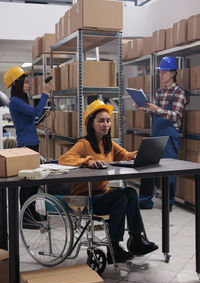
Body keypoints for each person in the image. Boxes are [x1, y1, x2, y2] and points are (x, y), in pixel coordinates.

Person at [58, 100, 158, 264]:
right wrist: (87, 161)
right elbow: (64, 159)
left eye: (108, 120)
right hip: (83, 199)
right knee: (120, 197)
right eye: (101, 120)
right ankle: (114, 248)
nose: (106, 124)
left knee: (130, 193)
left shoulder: (108, 144)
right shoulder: (83, 144)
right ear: (91, 122)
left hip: (101, 195)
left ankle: (136, 239)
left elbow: (125, 155)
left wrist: (140, 153)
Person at [135, 56, 186, 211]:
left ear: (172, 73)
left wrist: (157, 109)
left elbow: (176, 115)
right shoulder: (159, 92)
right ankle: (144, 201)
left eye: (163, 72)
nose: (161, 75)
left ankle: (168, 202)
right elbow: (156, 114)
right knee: (148, 166)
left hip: (170, 135)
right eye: (160, 72)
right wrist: (144, 108)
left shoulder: (179, 93)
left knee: (169, 170)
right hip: (156, 133)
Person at [3, 66, 52, 222]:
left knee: (34, 183)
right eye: (25, 82)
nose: (28, 85)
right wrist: (45, 93)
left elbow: (33, 120)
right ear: (16, 84)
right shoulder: (15, 102)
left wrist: (43, 116)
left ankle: (32, 212)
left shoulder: (21, 101)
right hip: (26, 147)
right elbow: (35, 112)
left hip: (32, 145)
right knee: (27, 185)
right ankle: (26, 218)